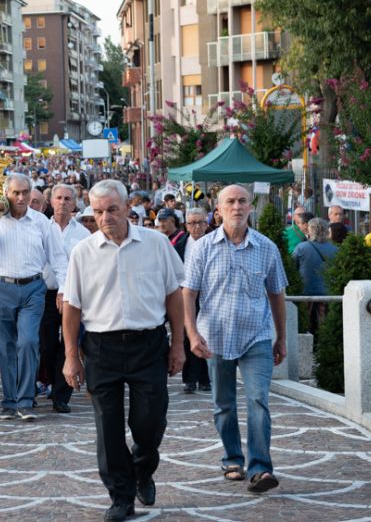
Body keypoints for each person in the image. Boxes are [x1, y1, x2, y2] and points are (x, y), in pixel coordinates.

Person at [61, 179, 185, 519]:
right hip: (102, 347)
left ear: (129, 207)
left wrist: (179, 345)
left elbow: (174, 295)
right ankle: (121, 497)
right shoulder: (82, 253)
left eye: (112, 210)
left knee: (150, 422)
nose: (105, 218)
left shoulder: (157, 244)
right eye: (98, 212)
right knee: (108, 428)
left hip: (149, 344)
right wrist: (72, 356)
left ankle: (142, 469)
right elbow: (71, 308)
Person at [183, 184, 288, 495]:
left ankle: (260, 469)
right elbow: (188, 294)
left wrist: (281, 338)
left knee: (258, 400)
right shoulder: (203, 248)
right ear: (219, 210)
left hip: (256, 335)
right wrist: (191, 333)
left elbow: (276, 294)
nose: (237, 206)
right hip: (215, 336)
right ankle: (232, 458)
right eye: (230, 201)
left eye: (243, 201)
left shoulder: (266, 248)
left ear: (250, 208)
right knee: (223, 404)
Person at [0, 173, 68, 421]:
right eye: (16, 192)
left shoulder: (40, 222)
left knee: (27, 342)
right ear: (6, 193)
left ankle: (25, 400)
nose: (21, 197)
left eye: (25, 192)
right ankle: (9, 400)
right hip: (0, 286)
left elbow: (57, 258)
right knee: (5, 346)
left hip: (32, 287)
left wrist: (63, 288)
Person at [41, 184, 91, 414]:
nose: (62, 202)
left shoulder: (82, 234)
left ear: (74, 203)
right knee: (45, 344)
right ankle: (50, 380)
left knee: (69, 344)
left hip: (74, 294)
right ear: (51, 201)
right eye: (58, 197)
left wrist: (69, 291)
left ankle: (62, 396)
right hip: (44, 293)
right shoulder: (41, 227)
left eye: (67, 198)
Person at [292, 218, 338, 342]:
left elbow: (292, 268)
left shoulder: (301, 248)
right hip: (328, 294)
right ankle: (324, 346)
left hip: (305, 294)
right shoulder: (335, 249)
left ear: (310, 230)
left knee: (307, 325)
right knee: (324, 325)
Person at [181, 208, 211, 393]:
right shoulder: (180, 244)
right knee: (188, 336)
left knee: (206, 336)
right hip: (185, 295)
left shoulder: (214, 243)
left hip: (209, 296)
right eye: (192, 223)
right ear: (186, 226)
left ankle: (205, 378)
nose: (197, 227)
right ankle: (189, 379)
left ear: (207, 224)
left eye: (200, 222)